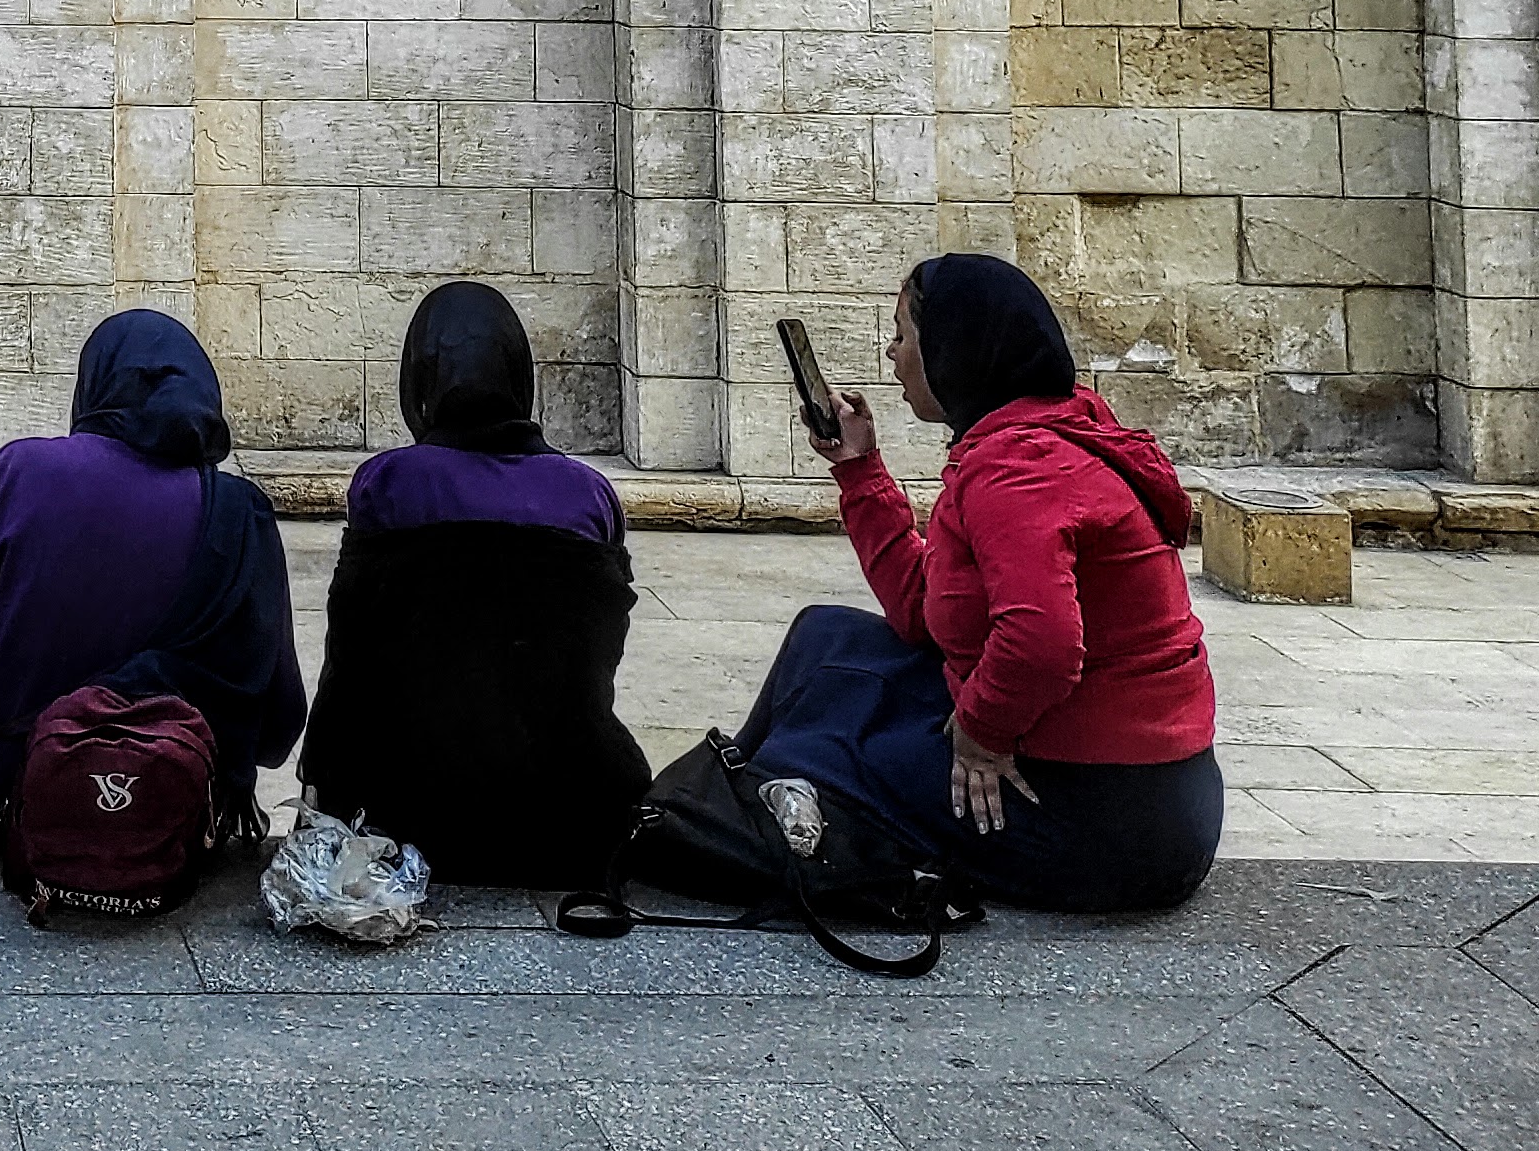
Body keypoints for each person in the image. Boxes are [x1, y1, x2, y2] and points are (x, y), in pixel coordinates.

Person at [739, 253, 1224, 915]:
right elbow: (922, 612)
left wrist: (980, 734)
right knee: (826, 638)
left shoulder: (1016, 467)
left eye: (904, 337)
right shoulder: (1039, 431)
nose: (892, 354)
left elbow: (1042, 643)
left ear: (953, 351)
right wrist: (860, 471)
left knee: (814, 752)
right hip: (1149, 798)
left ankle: (734, 811)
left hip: (1109, 821)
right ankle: (735, 794)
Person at [297, 279, 648, 885]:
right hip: (570, 822)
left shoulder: (387, 486)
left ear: (419, 379)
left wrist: (320, 783)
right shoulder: (589, 495)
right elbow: (593, 662)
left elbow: (349, 659)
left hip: (403, 819)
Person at [0, 308, 304, 840]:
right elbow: (277, 724)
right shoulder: (241, 513)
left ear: (95, 383)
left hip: (11, 811)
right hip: (175, 828)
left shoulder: (20, 473)